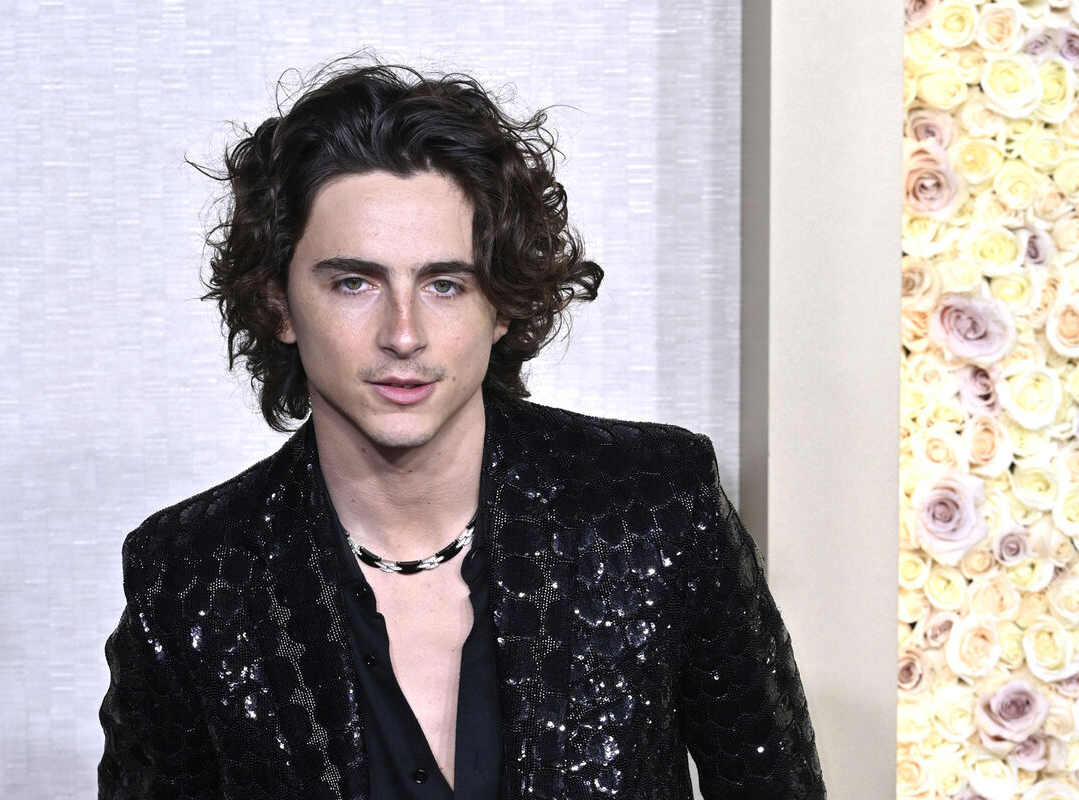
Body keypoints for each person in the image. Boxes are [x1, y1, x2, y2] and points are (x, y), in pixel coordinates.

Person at [98, 60, 825, 800]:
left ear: (501, 304)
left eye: (445, 284)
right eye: (354, 282)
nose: (403, 334)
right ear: (278, 304)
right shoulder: (192, 575)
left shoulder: (653, 505)